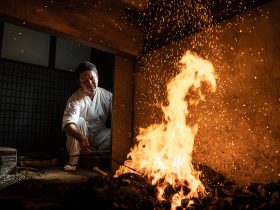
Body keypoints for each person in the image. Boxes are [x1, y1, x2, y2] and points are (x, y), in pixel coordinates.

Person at [62, 61, 112, 171]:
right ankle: (73, 162)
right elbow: (68, 124)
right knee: (79, 121)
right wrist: (81, 137)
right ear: (79, 83)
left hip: (97, 138)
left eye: (92, 78)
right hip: (78, 140)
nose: (89, 83)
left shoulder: (107, 95)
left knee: (113, 134)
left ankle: (93, 155)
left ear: (97, 77)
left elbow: (119, 116)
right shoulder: (75, 99)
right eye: (84, 80)